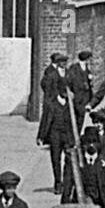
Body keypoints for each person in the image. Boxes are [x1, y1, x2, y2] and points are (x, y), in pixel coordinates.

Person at [36, 53, 74, 196]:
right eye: (64, 90)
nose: (66, 93)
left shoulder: (70, 105)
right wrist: (40, 136)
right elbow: (45, 120)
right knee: (55, 158)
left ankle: (67, 181)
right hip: (55, 133)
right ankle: (58, 182)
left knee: (69, 158)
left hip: (67, 133)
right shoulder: (51, 104)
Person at [66, 51, 94, 133]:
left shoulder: (87, 67)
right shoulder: (74, 67)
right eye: (89, 58)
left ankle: (78, 134)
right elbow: (70, 81)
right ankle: (75, 135)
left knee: (82, 116)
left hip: (86, 95)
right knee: (77, 116)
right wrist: (73, 91)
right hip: (78, 95)